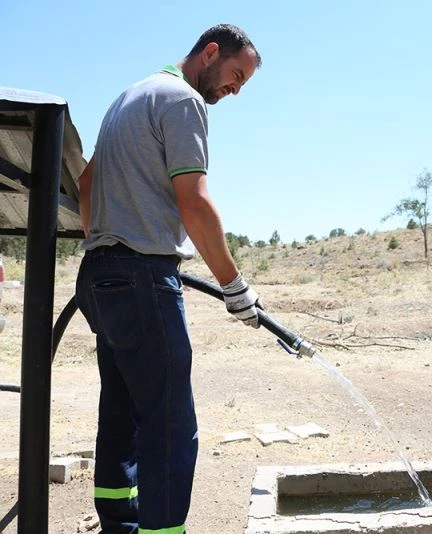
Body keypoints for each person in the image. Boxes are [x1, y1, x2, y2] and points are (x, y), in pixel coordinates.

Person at [75, 24, 262, 533]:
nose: (235, 89)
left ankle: (118, 523)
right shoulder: (183, 100)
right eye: (236, 75)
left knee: (122, 408)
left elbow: (86, 183)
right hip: (141, 278)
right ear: (210, 52)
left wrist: (107, 244)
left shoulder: (130, 97)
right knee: (170, 423)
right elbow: (194, 203)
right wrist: (234, 286)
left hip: (99, 276)